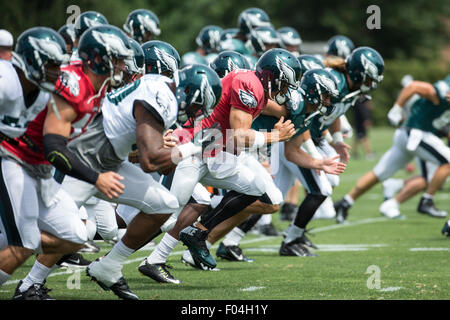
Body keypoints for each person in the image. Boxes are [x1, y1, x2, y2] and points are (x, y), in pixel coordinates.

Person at [72, 64, 222, 300]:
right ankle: (31, 283)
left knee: (164, 204)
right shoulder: (161, 97)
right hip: (85, 157)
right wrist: (194, 146)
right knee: (60, 234)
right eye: (197, 105)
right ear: (191, 93)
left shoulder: (157, 85)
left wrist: (167, 147)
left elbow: (141, 153)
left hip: (110, 158)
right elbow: (150, 162)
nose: (195, 112)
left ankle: (109, 266)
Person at [6, 25, 134, 300]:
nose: (123, 65)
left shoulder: (98, 87)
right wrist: (96, 177)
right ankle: (22, 273)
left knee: (75, 235)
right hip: (15, 159)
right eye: (119, 58)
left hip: (38, 167)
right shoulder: (73, 85)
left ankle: (15, 244)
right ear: (100, 58)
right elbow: (54, 147)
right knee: (24, 240)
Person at [334, 75, 450, 221]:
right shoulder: (445, 89)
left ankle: (345, 202)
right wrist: (397, 108)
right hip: (416, 133)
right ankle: (426, 201)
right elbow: (413, 86)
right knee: (443, 165)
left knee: (379, 173)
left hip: (407, 134)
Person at [352, 95, 375, 159]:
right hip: (360, 121)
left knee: (357, 137)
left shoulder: (360, 99)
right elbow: (363, 111)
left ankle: (355, 153)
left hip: (359, 121)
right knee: (364, 137)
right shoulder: (359, 100)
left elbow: (370, 108)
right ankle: (369, 153)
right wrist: (366, 119)